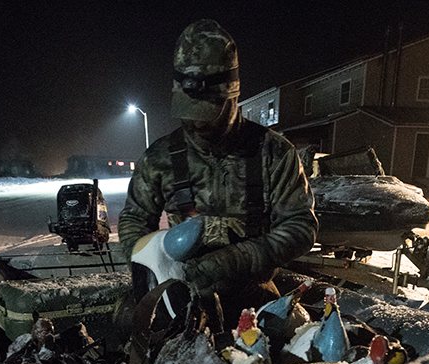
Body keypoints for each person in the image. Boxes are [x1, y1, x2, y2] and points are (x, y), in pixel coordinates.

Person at [118, 19, 318, 327]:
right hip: (183, 303)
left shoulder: (274, 153)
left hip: (254, 302)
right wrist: (155, 267)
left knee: (288, 336)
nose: (196, 122)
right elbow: (133, 220)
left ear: (233, 95)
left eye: (207, 112)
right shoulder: (159, 158)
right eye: (189, 109)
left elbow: (301, 225)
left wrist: (239, 259)